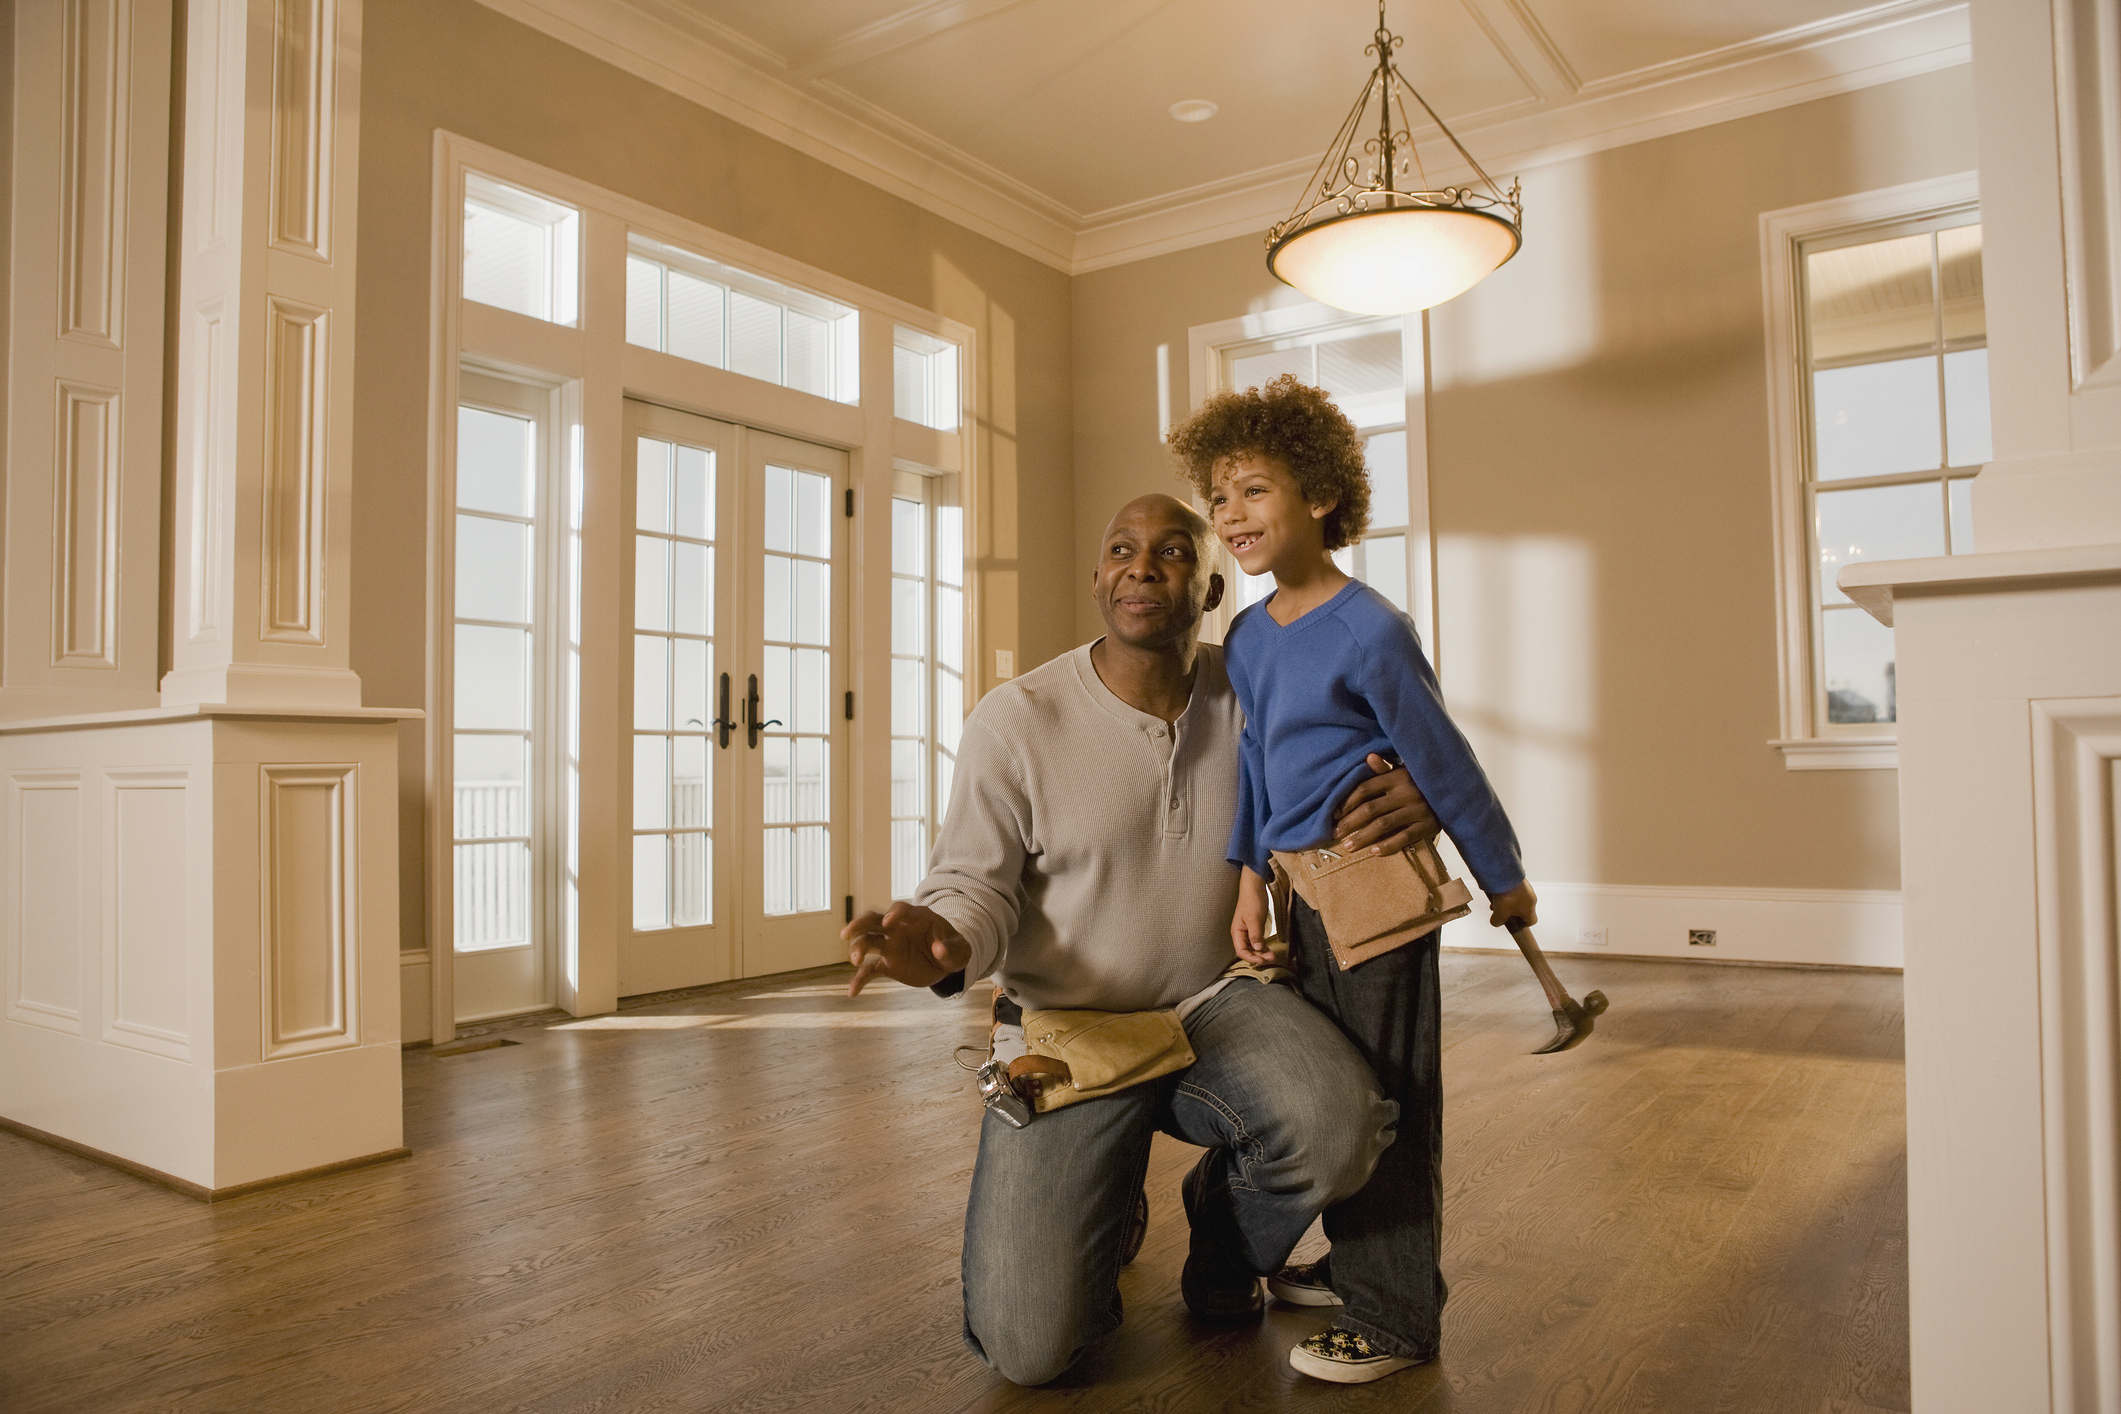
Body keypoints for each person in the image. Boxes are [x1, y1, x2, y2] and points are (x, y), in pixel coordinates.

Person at [843, 493, 1441, 1387]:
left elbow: (1369, 754)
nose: (1141, 566)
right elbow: (973, 884)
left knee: (1340, 1127)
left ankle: (1224, 1241)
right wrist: (941, 938)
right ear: (1097, 579)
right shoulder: (1016, 719)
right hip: (1066, 1026)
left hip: (1215, 1001)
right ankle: (1102, 1188)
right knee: (1029, 1349)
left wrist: (1419, 786)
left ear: (1209, 588)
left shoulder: (1256, 694)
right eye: (1121, 548)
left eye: (1170, 552)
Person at [1168, 375, 1538, 1386]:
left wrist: (1501, 875)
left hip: (1376, 890)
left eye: (1251, 491)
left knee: (1391, 1096)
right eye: (1218, 498)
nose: (1229, 516)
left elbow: (1444, 760)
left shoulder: (1370, 628)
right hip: (1298, 895)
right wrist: (1248, 880)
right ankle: (1353, 1264)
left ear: (1322, 494)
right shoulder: (1248, 636)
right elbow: (1250, 766)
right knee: (1335, 1084)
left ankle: (1395, 1314)